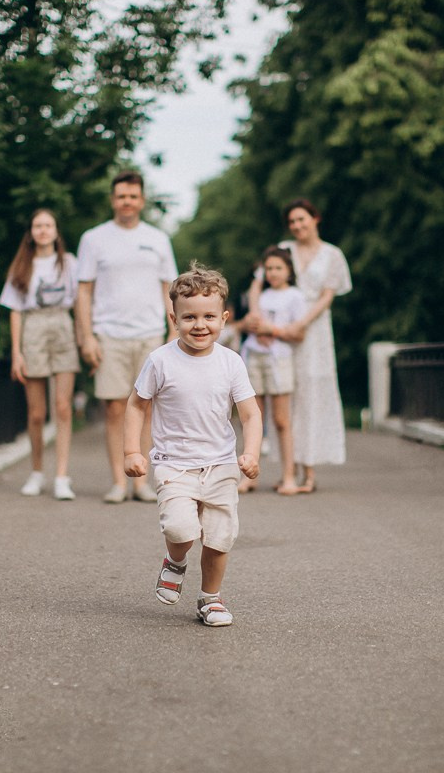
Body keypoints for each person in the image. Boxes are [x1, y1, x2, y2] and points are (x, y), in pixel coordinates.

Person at [124, 263, 263, 627]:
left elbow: (250, 414)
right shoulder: (160, 361)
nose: (199, 325)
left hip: (220, 463)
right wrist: (131, 451)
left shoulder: (231, 363)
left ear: (224, 318)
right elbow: (137, 405)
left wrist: (250, 452)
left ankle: (210, 598)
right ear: (174, 318)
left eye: (208, 317)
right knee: (181, 529)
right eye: (189, 317)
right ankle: (176, 561)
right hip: (175, 463)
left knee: (220, 536)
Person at [75, 171, 179, 504]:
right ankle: (119, 482)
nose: (127, 202)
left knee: (147, 408)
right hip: (109, 334)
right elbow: (84, 291)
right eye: (121, 196)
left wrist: (173, 332)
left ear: (142, 200)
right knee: (114, 407)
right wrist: (87, 337)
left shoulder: (158, 238)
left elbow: (170, 289)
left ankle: (141, 483)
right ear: (113, 200)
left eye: (133, 196)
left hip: (151, 334)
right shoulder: (94, 239)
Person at [245, 198, 352, 493]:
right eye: (292, 222)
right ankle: (287, 469)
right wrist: (257, 318)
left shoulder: (332, 254)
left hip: (313, 332)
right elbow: (257, 284)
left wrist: (300, 324)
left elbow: (327, 296)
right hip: (276, 331)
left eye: (302, 219)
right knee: (285, 402)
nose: (297, 226)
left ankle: (310, 471)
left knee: (311, 395)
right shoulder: (284, 249)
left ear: (315, 218)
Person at [0, 208, 79, 500]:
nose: (43, 230)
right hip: (33, 327)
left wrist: (84, 338)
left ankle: (62, 476)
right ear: (31, 232)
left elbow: (81, 301)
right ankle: (36, 472)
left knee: (63, 407)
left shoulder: (69, 263)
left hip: (62, 326)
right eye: (37, 225)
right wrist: (17, 352)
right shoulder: (23, 265)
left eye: (48, 225)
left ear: (56, 231)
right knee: (36, 412)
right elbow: (15, 312)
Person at [238, 245, 306, 496]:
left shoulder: (295, 296)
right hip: (255, 357)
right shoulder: (261, 296)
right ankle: (250, 475)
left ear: (288, 270)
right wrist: (251, 324)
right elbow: (250, 319)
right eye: (268, 269)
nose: (273, 273)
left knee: (281, 420)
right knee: (253, 417)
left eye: (278, 268)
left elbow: (299, 333)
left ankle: (289, 476)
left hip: (279, 360)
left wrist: (272, 330)